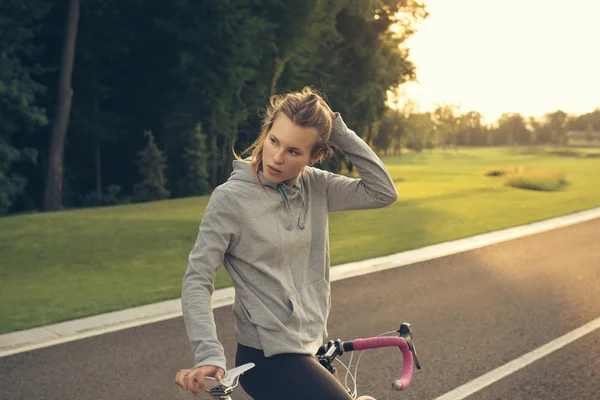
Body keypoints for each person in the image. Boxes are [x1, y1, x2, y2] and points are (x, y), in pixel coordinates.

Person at [175, 87, 398, 399]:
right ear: (265, 133)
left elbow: (383, 192)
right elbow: (197, 279)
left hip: (311, 348)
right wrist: (208, 353)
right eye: (274, 141)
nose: (277, 158)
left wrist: (341, 133)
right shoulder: (231, 200)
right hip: (267, 358)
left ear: (315, 156)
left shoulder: (317, 186)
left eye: (294, 151)